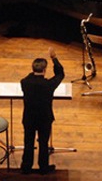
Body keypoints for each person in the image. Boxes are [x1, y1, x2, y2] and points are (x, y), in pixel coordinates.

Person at [20, 47, 64, 175]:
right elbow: (60, 74)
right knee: (43, 143)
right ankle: (43, 167)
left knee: (28, 141)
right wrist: (54, 58)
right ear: (45, 70)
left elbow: (28, 76)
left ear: (33, 69)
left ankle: (26, 166)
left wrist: (34, 73)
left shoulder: (24, 82)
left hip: (29, 118)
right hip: (44, 118)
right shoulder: (49, 85)